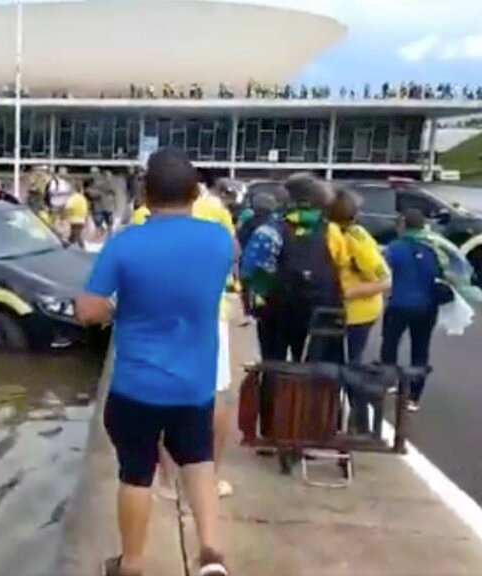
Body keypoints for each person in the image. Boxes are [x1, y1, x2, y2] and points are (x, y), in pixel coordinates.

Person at [76, 148, 232, 576]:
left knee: (136, 473)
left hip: (136, 386)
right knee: (198, 461)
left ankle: (132, 564)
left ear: (144, 193)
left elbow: (87, 310)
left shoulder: (126, 244)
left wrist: (115, 308)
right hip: (194, 384)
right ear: (195, 192)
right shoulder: (219, 240)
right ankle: (212, 555)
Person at [133, 179, 240, 498]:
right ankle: (210, 478)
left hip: (159, 317)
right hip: (208, 313)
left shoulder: (143, 215)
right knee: (216, 396)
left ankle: (168, 481)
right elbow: (233, 253)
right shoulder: (215, 210)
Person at [241, 173, 347, 364]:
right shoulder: (332, 231)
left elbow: (251, 269)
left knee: (273, 363)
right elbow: (342, 266)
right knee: (310, 365)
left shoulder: (271, 230)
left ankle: (272, 392)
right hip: (318, 311)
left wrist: (255, 300)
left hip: (276, 311)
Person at [328, 187, 391, 431]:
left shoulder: (356, 239)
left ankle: (361, 422)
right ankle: (338, 420)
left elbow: (385, 279)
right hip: (341, 312)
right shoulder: (335, 234)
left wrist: (349, 293)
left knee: (349, 367)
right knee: (337, 365)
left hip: (356, 314)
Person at [380, 209, 444, 413]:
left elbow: (381, 271)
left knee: (390, 343)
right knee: (421, 348)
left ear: (403, 225)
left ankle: (389, 382)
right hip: (427, 306)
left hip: (399, 304)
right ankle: (414, 396)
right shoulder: (434, 247)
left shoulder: (395, 247)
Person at [65, 183, 90, 248]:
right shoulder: (83, 199)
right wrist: (86, 219)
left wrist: (67, 218)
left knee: (76, 235)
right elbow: (86, 210)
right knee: (74, 235)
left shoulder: (73, 198)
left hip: (74, 220)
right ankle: (67, 246)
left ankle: (82, 248)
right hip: (81, 220)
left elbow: (68, 208)